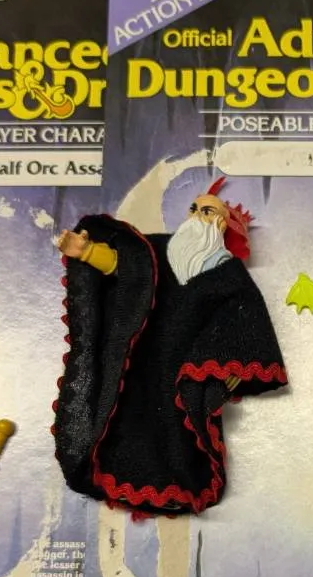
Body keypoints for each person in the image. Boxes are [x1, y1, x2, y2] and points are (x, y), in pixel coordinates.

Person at [53, 179, 287, 515]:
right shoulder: (161, 251)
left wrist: (231, 366)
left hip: (188, 367)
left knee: (178, 431)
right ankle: (116, 475)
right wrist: (88, 252)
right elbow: (127, 267)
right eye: (194, 209)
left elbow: (245, 317)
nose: (197, 216)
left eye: (208, 211)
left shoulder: (227, 272)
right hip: (141, 352)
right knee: (127, 417)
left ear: (223, 225)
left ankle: (179, 484)